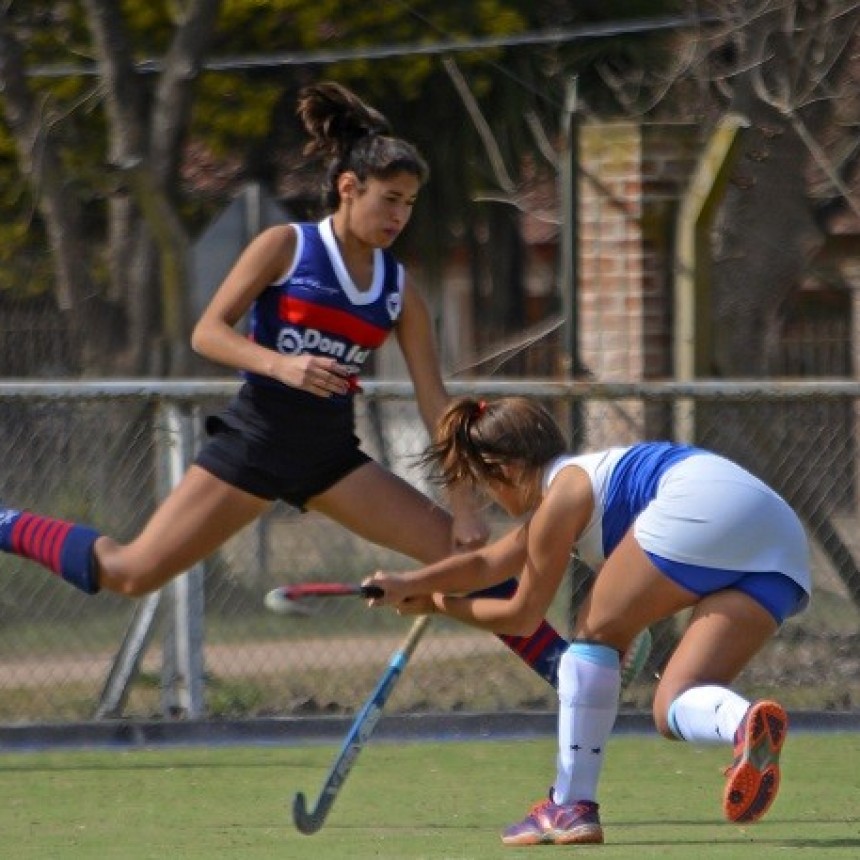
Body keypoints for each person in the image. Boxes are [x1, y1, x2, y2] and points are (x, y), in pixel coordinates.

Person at [0, 82, 570, 687]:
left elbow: (438, 404)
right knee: (130, 571)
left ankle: (570, 673)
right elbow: (207, 334)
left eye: (410, 203)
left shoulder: (398, 289)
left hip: (330, 459)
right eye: (390, 199)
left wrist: (462, 506)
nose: (400, 216)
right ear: (349, 189)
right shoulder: (286, 248)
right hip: (253, 444)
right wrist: (280, 365)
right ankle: (6, 523)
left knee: (463, 560)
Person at [365, 395, 811, 846]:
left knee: (593, 636)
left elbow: (521, 616)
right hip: (781, 539)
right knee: (671, 705)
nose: (488, 498)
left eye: (485, 483)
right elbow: (486, 565)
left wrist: (440, 605)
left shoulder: (565, 493)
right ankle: (742, 722)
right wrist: (408, 581)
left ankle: (570, 805)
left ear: (508, 468)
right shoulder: (572, 489)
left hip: (700, 504)